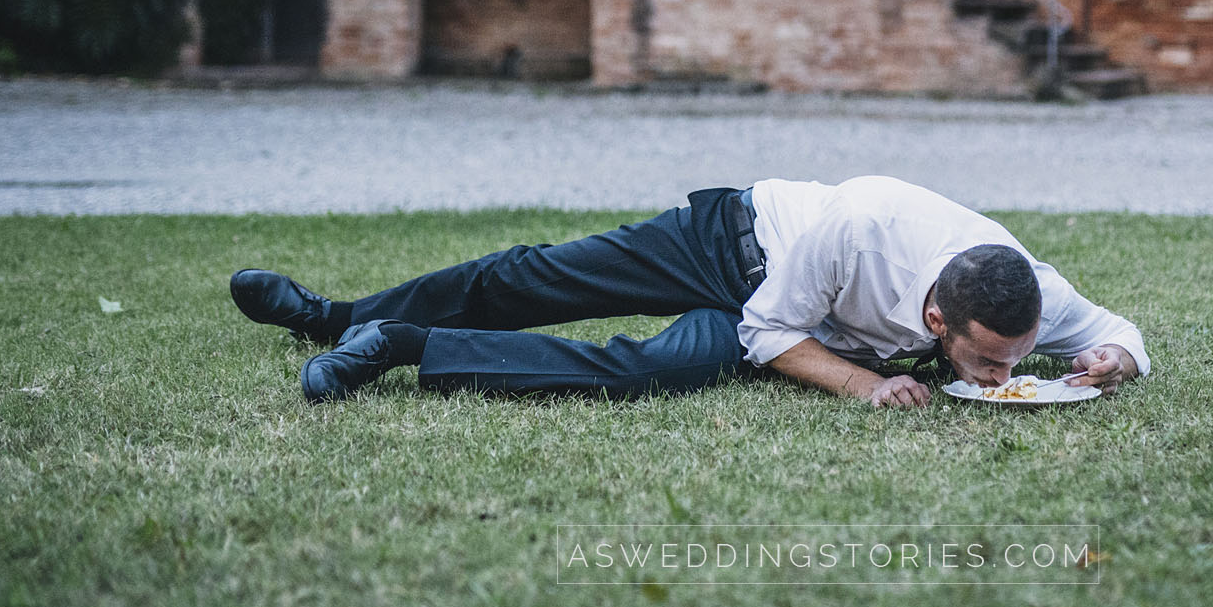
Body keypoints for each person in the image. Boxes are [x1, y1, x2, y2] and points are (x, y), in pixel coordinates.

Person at [230, 174, 1148, 407]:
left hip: (779, 316)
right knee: (530, 280)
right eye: (989, 362)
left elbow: (1112, 326)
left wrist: (1113, 357)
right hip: (737, 248)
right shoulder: (860, 226)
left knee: (644, 374)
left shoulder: (1022, 289)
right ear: (939, 318)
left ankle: (399, 347)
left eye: (1016, 361)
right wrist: (867, 384)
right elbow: (764, 334)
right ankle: (329, 317)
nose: (1003, 375)